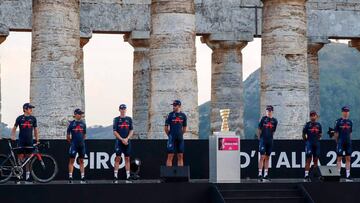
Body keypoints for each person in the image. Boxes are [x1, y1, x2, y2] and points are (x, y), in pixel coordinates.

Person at [10, 103, 39, 182]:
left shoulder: (33, 118)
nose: (31, 110)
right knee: (20, 158)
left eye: (31, 108)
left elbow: (36, 130)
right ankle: (19, 176)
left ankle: (28, 177)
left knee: (28, 159)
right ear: (25, 109)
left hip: (29, 141)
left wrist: (37, 139)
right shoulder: (19, 118)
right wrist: (12, 136)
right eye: (30, 108)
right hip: (21, 141)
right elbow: (14, 128)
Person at [113, 104, 133, 182]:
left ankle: (128, 175)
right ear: (119, 110)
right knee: (118, 158)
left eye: (124, 109)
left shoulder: (129, 119)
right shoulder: (116, 119)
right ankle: (115, 176)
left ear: (126, 110)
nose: (123, 110)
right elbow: (114, 131)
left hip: (127, 141)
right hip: (119, 141)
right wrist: (122, 139)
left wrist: (127, 138)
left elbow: (131, 130)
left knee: (127, 158)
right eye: (121, 109)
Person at [257, 105, 278, 182]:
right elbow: (259, 129)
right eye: (267, 111)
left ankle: (266, 174)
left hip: (270, 140)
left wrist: (270, 137)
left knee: (267, 157)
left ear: (272, 111)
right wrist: (260, 138)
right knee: (262, 156)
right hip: (263, 140)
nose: (269, 112)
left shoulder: (275, 121)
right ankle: (260, 174)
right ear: (266, 111)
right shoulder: (263, 119)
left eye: (270, 111)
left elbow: (273, 131)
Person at [164, 100, 187, 167]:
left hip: (180, 138)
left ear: (179, 106)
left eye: (175, 105)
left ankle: (180, 175)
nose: (173, 107)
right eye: (173, 105)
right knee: (170, 156)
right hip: (172, 138)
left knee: (180, 156)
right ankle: (168, 175)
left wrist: (180, 134)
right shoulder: (170, 115)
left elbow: (184, 128)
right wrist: (170, 135)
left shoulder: (183, 116)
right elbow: (166, 128)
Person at [67, 109, 87, 183]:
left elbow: (84, 135)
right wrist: (72, 143)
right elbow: (68, 135)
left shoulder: (83, 124)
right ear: (75, 114)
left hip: (81, 145)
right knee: (72, 160)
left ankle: (82, 177)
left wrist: (81, 141)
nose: (81, 115)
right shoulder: (71, 124)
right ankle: (70, 176)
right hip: (74, 145)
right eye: (79, 114)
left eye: (81, 114)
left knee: (81, 161)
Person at [334, 106, 353, 181]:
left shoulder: (350, 122)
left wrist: (350, 141)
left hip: (348, 142)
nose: (346, 113)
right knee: (339, 158)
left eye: (347, 111)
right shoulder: (338, 121)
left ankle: (348, 175)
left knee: (348, 158)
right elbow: (336, 133)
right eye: (345, 111)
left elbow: (350, 133)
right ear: (342, 112)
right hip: (340, 142)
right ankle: (338, 175)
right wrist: (337, 142)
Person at [302, 111, 322, 181]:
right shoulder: (307, 125)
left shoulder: (319, 125)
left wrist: (317, 140)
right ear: (310, 117)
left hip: (316, 144)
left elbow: (320, 134)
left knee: (316, 160)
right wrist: (306, 141)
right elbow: (303, 134)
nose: (313, 117)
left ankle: (315, 175)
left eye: (314, 115)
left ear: (316, 116)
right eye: (311, 116)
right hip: (309, 144)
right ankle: (306, 175)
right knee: (308, 159)